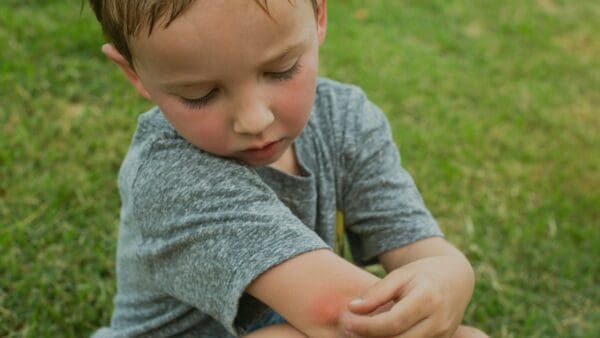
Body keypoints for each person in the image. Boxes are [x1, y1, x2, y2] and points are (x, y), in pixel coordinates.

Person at [88, 0, 487, 337]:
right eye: (200, 93)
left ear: (318, 17)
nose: (254, 119)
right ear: (134, 73)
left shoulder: (344, 120)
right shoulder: (171, 178)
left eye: (280, 69)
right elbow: (343, 317)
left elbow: (422, 248)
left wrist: (449, 277)